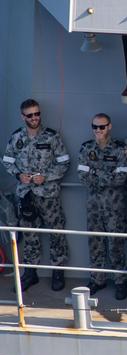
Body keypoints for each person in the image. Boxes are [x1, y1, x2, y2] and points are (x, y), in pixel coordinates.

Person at [3, 99, 70, 292]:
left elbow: (64, 161)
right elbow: (7, 161)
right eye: (30, 115)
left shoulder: (51, 137)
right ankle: (30, 273)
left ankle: (58, 271)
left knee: (56, 232)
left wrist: (46, 177)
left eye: (37, 114)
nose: (35, 118)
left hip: (48, 194)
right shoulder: (17, 137)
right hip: (26, 195)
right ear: (23, 116)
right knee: (30, 234)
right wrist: (18, 175)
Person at [77, 113, 127, 300]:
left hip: (114, 207)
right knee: (95, 243)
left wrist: (95, 174)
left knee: (116, 245)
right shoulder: (86, 148)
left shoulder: (121, 149)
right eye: (95, 127)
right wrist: (107, 175)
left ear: (109, 127)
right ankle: (97, 279)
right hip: (94, 207)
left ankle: (120, 281)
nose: (98, 130)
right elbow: (82, 176)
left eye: (102, 127)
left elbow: (121, 177)